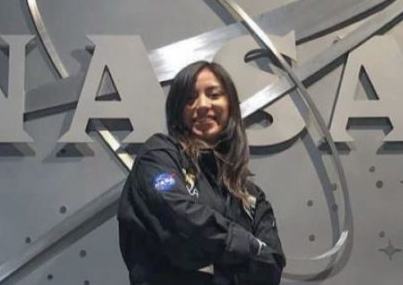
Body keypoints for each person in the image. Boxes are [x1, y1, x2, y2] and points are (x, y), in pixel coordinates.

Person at [117, 61, 286, 285]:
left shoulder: (251, 195)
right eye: (190, 99)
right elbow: (180, 220)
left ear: (231, 106)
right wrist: (250, 246)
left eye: (214, 95)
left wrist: (214, 253)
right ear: (178, 110)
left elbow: (271, 265)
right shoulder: (159, 156)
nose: (203, 105)